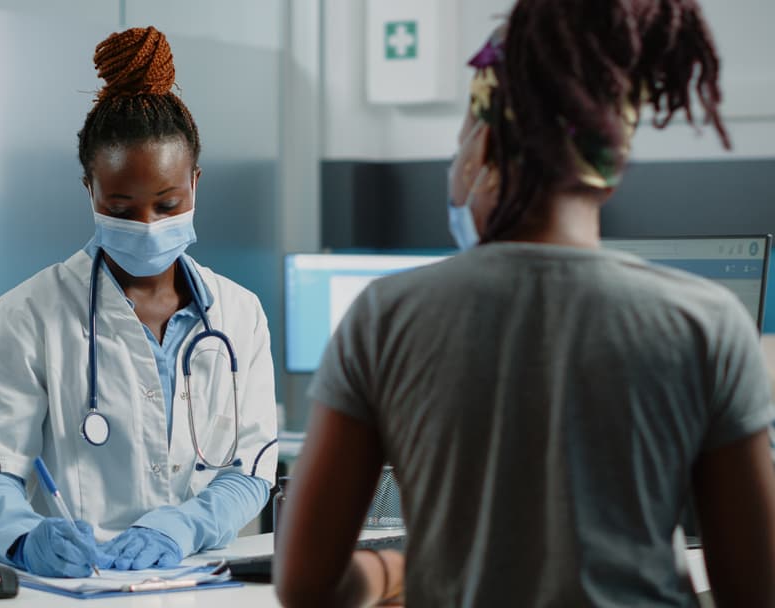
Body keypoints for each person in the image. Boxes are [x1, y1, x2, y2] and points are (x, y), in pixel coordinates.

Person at [274, 1, 775, 606]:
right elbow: (756, 588)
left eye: (461, 138)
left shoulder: (385, 318)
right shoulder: (708, 325)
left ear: (482, 148)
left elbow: (305, 584)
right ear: (610, 168)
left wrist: (391, 571)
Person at [0, 26, 278, 578]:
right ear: (90, 191)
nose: (147, 225)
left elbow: (252, 468)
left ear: (195, 185)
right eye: (122, 209)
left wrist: (182, 526)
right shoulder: (27, 314)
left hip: (201, 581)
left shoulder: (239, 313)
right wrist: (27, 537)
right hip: (85, 583)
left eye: (167, 203)